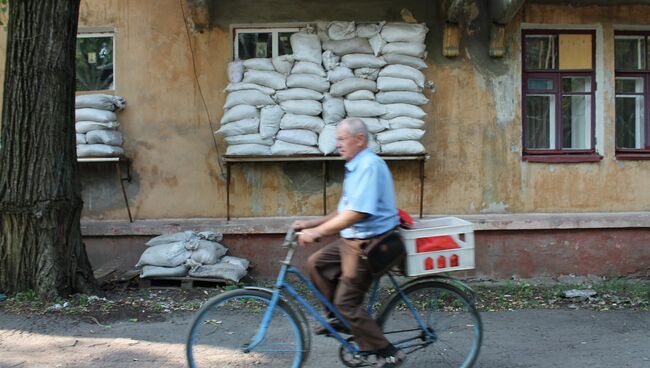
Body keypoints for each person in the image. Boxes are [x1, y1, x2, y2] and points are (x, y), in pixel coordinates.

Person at [293, 118, 406, 368]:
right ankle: (344, 320)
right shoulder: (355, 166)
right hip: (353, 240)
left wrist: (318, 233)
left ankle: (388, 352)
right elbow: (344, 210)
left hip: (373, 244)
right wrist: (312, 223)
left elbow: (357, 213)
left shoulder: (369, 166)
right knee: (317, 264)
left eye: (342, 139)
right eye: (338, 140)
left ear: (360, 140)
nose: (338, 145)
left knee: (347, 302)